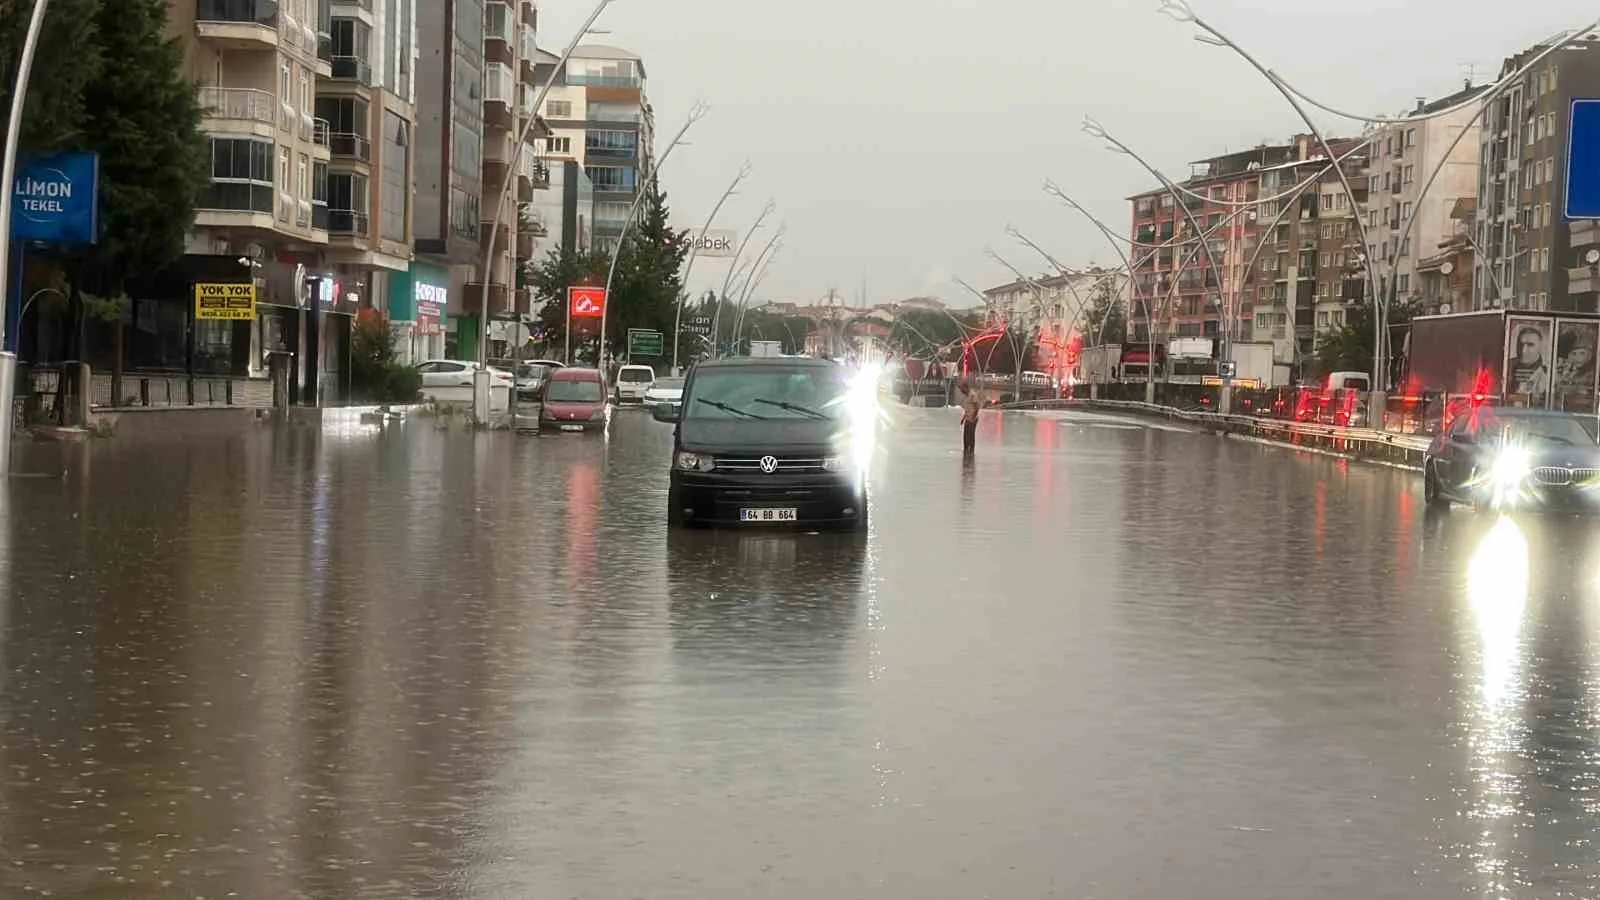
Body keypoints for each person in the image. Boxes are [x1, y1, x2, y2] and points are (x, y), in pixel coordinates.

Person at [958, 380, 981, 454]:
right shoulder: (967, 396)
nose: (961, 391)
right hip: (968, 418)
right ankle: (966, 449)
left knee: (971, 435)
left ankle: (971, 451)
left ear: (966, 388)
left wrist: (974, 416)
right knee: (966, 435)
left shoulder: (972, 395)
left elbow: (977, 406)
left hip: (973, 418)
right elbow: (967, 409)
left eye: (962, 389)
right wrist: (963, 418)